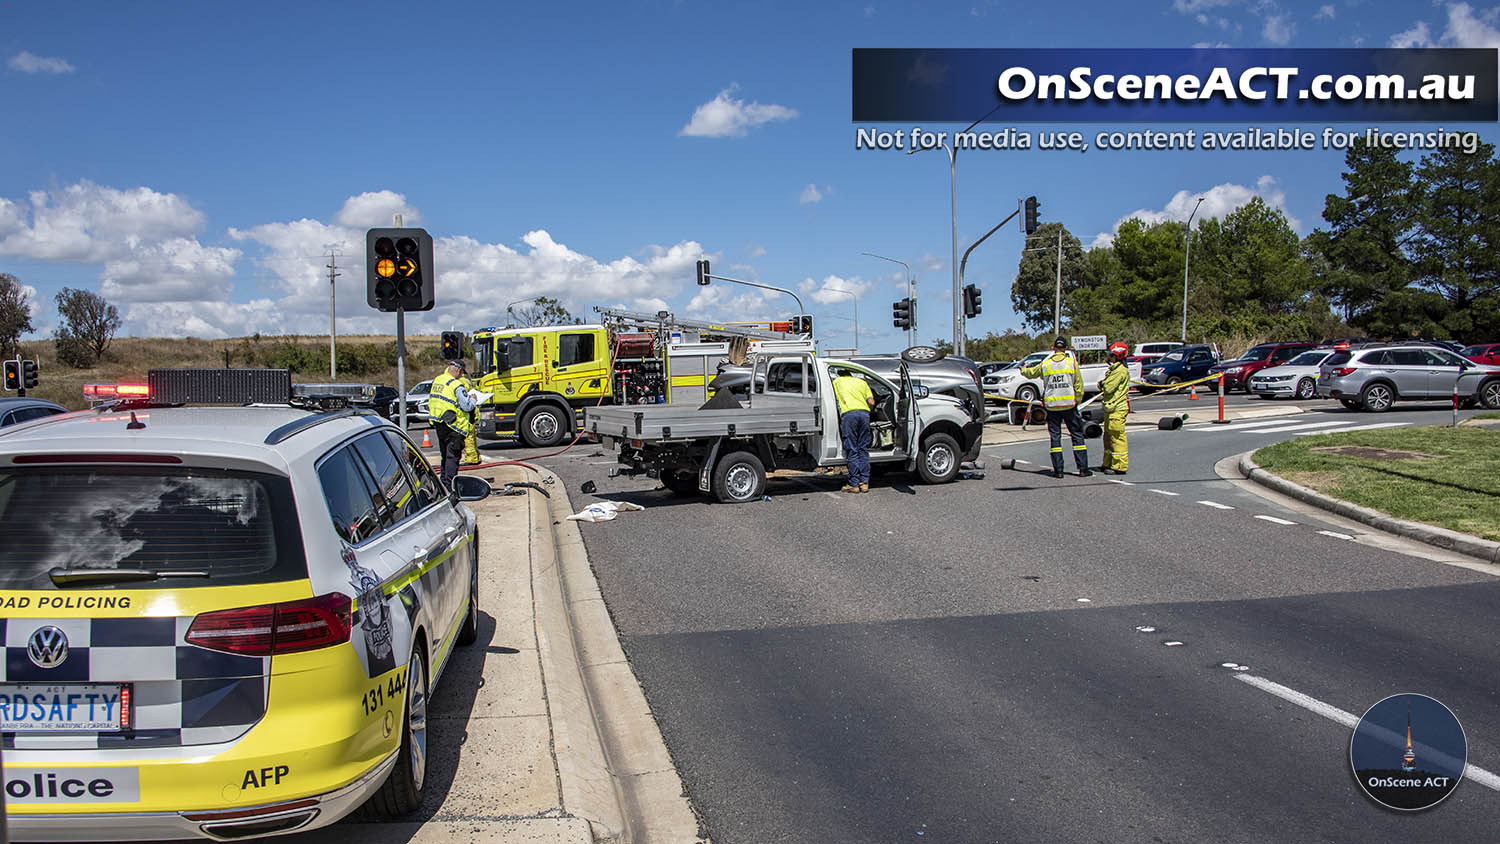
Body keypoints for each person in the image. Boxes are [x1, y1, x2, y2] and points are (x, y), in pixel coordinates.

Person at [1020, 337, 1091, 478]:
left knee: (1055, 437)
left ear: (1053, 348)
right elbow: (1079, 385)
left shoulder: (1046, 364)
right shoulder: (1072, 363)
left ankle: (1058, 470)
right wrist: (1077, 400)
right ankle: (1083, 469)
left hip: (1052, 406)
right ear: (1066, 348)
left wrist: (1023, 370)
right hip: (1069, 405)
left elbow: (1031, 373)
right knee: (1077, 436)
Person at [428, 359, 479, 488]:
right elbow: (466, 406)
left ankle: (444, 484)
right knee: (453, 458)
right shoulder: (456, 385)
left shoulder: (438, 380)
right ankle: (451, 486)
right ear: (459, 370)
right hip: (454, 426)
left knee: (444, 456)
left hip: (439, 423)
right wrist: (473, 400)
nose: (461, 376)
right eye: (461, 374)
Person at [832, 369, 876, 493]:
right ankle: (865, 483)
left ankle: (854, 484)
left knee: (852, 449)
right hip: (864, 414)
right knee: (863, 448)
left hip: (849, 415)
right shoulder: (861, 382)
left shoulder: (837, 381)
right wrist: (869, 411)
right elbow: (871, 401)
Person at [1097, 341, 1132, 475]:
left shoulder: (1119, 371)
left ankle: (1119, 466)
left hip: (1117, 409)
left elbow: (1108, 387)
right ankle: (1108, 462)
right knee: (1108, 437)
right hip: (1110, 409)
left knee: (1117, 437)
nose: (1109, 357)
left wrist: (1102, 383)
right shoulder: (1114, 369)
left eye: (1111, 355)